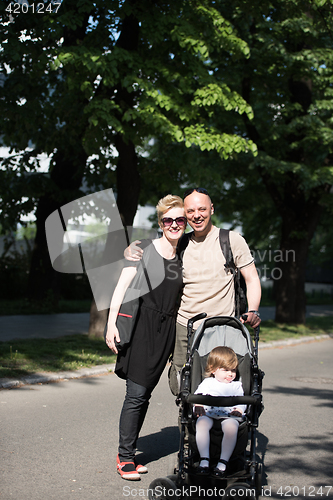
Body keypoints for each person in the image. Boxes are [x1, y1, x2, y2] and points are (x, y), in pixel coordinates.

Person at [125, 188, 261, 391]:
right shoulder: (181, 242)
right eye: (190, 211)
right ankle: (190, 419)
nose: (197, 215)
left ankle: (216, 420)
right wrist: (130, 249)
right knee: (180, 386)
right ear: (185, 214)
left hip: (221, 327)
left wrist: (253, 310)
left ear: (212, 209)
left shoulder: (231, 240)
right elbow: (156, 246)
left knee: (222, 384)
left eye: (202, 209)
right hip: (184, 326)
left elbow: (251, 278)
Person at [105, 195, 186, 480]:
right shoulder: (144, 249)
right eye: (168, 220)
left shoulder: (184, 253)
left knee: (145, 393)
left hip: (166, 330)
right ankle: (125, 457)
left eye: (180, 219)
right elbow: (122, 286)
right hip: (142, 326)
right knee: (136, 393)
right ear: (161, 222)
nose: (174, 224)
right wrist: (110, 323)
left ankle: (129, 453)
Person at [193, 346, 246, 478]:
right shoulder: (208, 383)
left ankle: (223, 462)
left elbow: (242, 400)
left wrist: (239, 409)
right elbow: (197, 395)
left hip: (228, 415)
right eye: (226, 370)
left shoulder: (236, 385)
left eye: (233, 370)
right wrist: (198, 404)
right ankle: (204, 459)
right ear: (213, 369)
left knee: (231, 428)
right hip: (208, 413)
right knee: (201, 424)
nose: (230, 374)